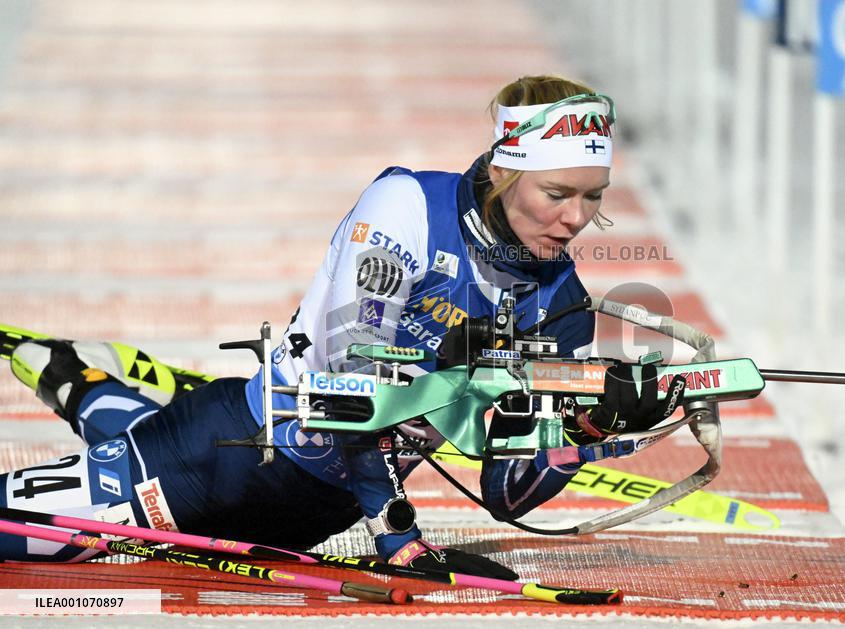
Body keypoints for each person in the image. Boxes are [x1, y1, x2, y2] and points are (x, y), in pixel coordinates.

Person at [0, 76, 672, 577]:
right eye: (557, 194)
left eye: (594, 196)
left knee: (120, 453)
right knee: (22, 533)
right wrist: (391, 527)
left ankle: (93, 390)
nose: (576, 218)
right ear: (501, 170)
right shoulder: (405, 208)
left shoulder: (562, 305)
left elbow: (507, 489)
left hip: (318, 517)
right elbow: (346, 388)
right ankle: (77, 378)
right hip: (221, 458)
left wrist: (596, 425)